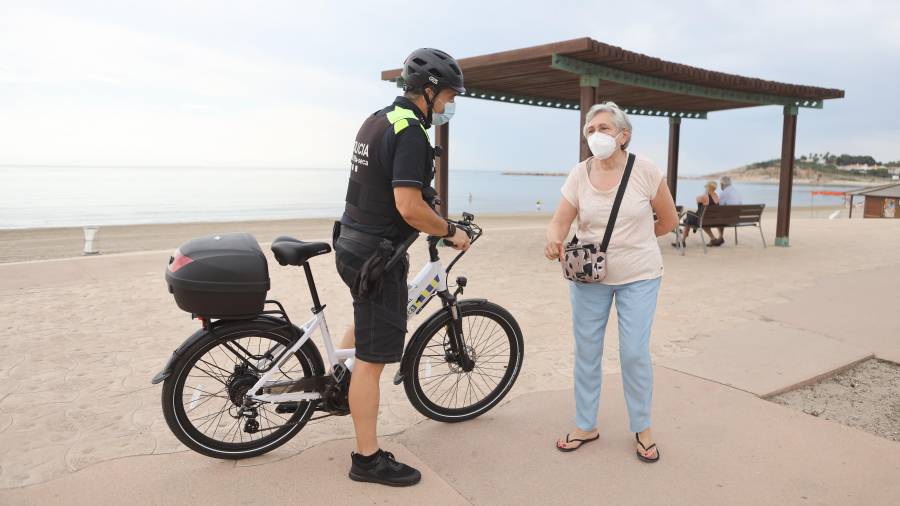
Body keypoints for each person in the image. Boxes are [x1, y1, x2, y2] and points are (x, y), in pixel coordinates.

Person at [333, 48, 470, 487]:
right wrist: (447, 229)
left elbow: (376, 182)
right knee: (373, 362)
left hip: (351, 241)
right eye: (448, 96)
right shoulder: (411, 132)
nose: (449, 106)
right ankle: (367, 459)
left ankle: (340, 383)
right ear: (429, 91)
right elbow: (408, 207)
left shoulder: (378, 119)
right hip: (377, 255)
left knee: (362, 319)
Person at [544, 102, 678, 462]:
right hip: (589, 276)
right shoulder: (578, 173)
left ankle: (643, 427)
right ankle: (586, 424)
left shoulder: (646, 171)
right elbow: (560, 220)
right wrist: (554, 238)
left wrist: (635, 242)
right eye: (590, 130)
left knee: (634, 353)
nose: (596, 135)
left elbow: (668, 220)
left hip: (640, 276)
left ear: (623, 135)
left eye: (604, 128)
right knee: (587, 351)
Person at [675, 180, 719, 247]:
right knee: (689, 217)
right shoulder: (717, 197)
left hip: (701, 220)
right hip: (709, 220)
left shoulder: (705, 197)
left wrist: (705, 193)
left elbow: (696, 199)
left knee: (688, 217)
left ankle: (682, 241)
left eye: (706, 187)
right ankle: (713, 239)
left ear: (708, 188)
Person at [709, 175, 743, 245]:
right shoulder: (737, 192)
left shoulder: (724, 193)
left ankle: (719, 238)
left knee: (716, 216)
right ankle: (720, 237)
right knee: (722, 216)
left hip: (729, 220)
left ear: (722, 184)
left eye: (720, 184)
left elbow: (719, 208)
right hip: (737, 219)